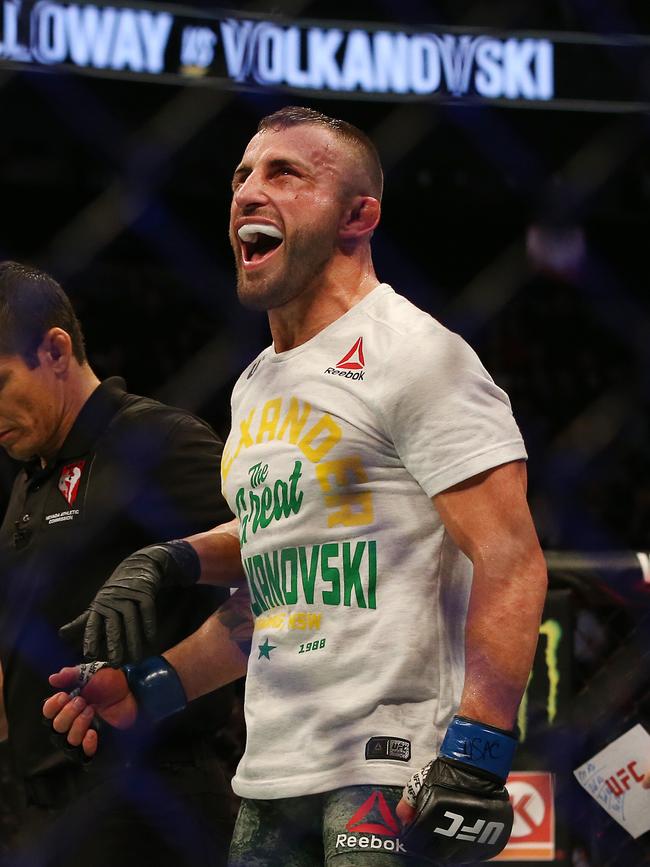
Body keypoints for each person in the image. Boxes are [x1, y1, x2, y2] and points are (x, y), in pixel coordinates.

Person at [45, 107, 548, 866]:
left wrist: (476, 753)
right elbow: (277, 592)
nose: (249, 190)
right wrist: (154, 673)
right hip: (272, 776)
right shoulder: (254, 387)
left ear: (358, 215)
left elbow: (511, 556)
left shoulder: (416, 354)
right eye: (243, 174)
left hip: (390, 767)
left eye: (285, 173)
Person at [0, 260, 246, 867]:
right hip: (40, 804)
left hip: (153, 792)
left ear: (54, 350)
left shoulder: (156, 441)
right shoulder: (29, 482)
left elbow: (277, 546)